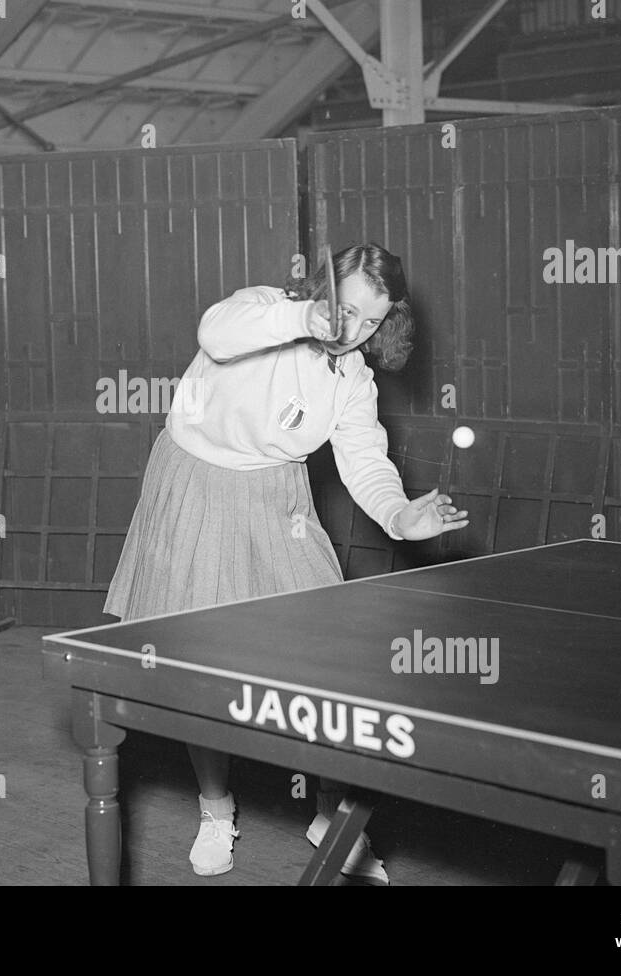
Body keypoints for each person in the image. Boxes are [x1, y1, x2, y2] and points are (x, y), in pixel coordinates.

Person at [103, 242, 468, 882]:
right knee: (201, 664)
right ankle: (216, 810)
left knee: (322, 656)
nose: (353, 330)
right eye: (345, 309)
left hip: (277, 494)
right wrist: (304, 320)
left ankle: (330, 811)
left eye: (372, 321)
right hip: (195, 482)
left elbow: (365, 463)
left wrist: (403, 515)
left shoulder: (353, 381)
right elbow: (214, 334)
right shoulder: (263, 310)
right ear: (322, 290)